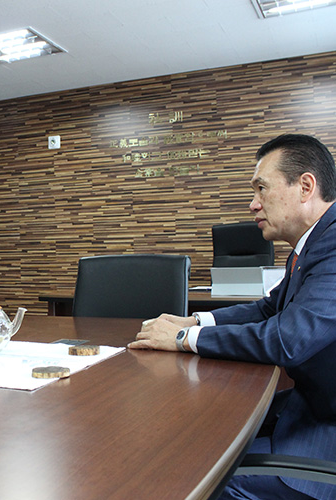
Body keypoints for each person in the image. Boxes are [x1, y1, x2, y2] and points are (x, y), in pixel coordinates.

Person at [129, 134, 336, 500]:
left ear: (305, 186)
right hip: (306, 410)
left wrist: (182, 340)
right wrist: (195, 322)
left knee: (185, 477)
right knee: (197, 435)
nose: (253, 204)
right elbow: (268, 308)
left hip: (324, 434)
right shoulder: (311, 244)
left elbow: (287, 339)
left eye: (261, 188)